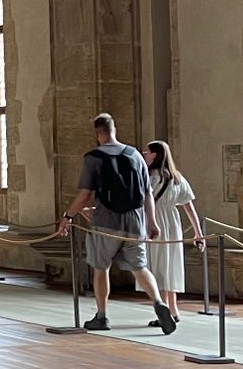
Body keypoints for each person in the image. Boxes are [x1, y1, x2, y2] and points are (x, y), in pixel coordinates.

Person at [57, 114, 177, 334]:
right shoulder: (135, 155)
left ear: (97, 134)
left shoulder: (93, 157)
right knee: (139, 267)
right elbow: (147, 193)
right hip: (135, 221)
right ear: (115, 130)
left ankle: (102, 316)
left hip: (106, 220)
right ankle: (159, 302)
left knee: (101, 268)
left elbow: (85, 194)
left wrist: (68, 216)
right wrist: (151, 221)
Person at [145, 140, 205, 323]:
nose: (144, 155)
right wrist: (198, 233)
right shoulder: (177, 178)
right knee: (170, 264)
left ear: (155, 155)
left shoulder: (149, 176)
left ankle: (165, 312)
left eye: (146, 152)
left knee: (158, 266)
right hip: (172, 223)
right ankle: (173, 308)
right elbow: (189, 208)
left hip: (155, 221)